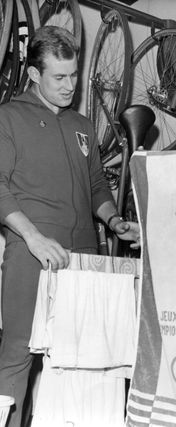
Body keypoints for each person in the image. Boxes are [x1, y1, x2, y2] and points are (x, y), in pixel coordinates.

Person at [0, 26, 140, 427]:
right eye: (59, 77)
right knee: (17, 357)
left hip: (85, 260)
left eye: (73, 75)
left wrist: (113, 219)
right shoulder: (9, 118)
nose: (69, 85)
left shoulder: (82, 125)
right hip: (34, 254)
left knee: (87, 361)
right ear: (33, 75)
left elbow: (95, 184)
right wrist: (32, 237)